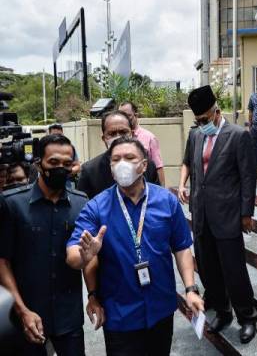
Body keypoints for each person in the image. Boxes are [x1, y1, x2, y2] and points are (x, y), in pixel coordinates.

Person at [65, 137, 203, 356]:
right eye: (116, 159)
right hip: (120, 314)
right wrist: (85, 255)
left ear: (144, 165)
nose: (122, 164)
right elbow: (73, 256)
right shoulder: (96, 207)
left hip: (161, 308)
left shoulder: (167, 201)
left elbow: (182, 248)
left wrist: (190, 289)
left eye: (130, 158)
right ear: (110, 168)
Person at [178, 86, 257, 344]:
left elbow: (248, 177)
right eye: (197, 120)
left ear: (217, 111)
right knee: (209, 271)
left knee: (234, 271)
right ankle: (223, 313)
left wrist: (246, 213)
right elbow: (189, 163)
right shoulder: (196, 136)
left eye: (204, 119)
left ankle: (247, 318)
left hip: (228, 215)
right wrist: (183, 184)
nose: (201, 124)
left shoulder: (238, 136)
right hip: (201, 214)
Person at [0, 134, 88, 355]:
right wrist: (22, 311)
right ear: (39, 164)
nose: (61, 168)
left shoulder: (81, 203)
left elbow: (88, 258)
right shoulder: (12, 204)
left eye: (67, 164)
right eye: (54, 162)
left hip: (69, 318)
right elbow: (2, 261)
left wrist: (94, 295)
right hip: (25, 317)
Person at [77, 111, 160, 200]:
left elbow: (156, 199)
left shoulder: (148, 165)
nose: (118, 137)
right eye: (112, 134)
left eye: (123, 132)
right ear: (104, 138)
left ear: (132, 134)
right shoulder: (90, 171)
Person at [118, 102, 165, 186]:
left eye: (127, 116)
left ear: (136, 115)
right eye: (121, 116)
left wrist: (162, 191)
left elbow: (158, 167)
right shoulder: (117, 138)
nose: (124, 119)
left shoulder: (149, 138)